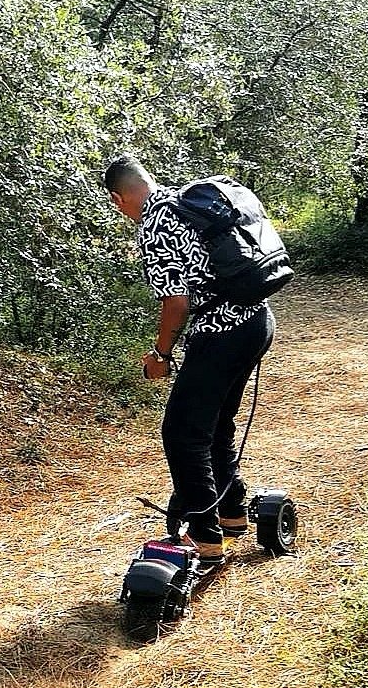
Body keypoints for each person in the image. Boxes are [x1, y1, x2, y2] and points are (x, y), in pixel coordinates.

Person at [103, 154, 275, 563]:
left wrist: (160, 354)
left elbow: (176, 302)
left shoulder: (155, 224)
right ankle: (232, 512)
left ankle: (204, 536)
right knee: (216, 424)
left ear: (117, 198)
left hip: (222, 332)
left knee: (182, 433)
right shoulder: (186, 203)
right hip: (256, 322)